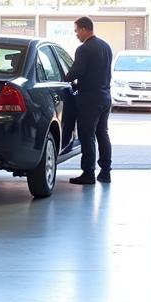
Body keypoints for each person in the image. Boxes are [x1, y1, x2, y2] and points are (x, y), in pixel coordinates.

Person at [65, 16, 113, 185]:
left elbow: (76, 71)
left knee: (87, 136)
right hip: (105, 96)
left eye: (77, 30)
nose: (76, 34)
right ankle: (106, 172)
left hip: (89, 99)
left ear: (85, 29)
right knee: (102, 133)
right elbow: (96, 72)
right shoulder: (106, 46)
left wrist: (66, 77)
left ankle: (88, 173)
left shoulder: (83, 49)